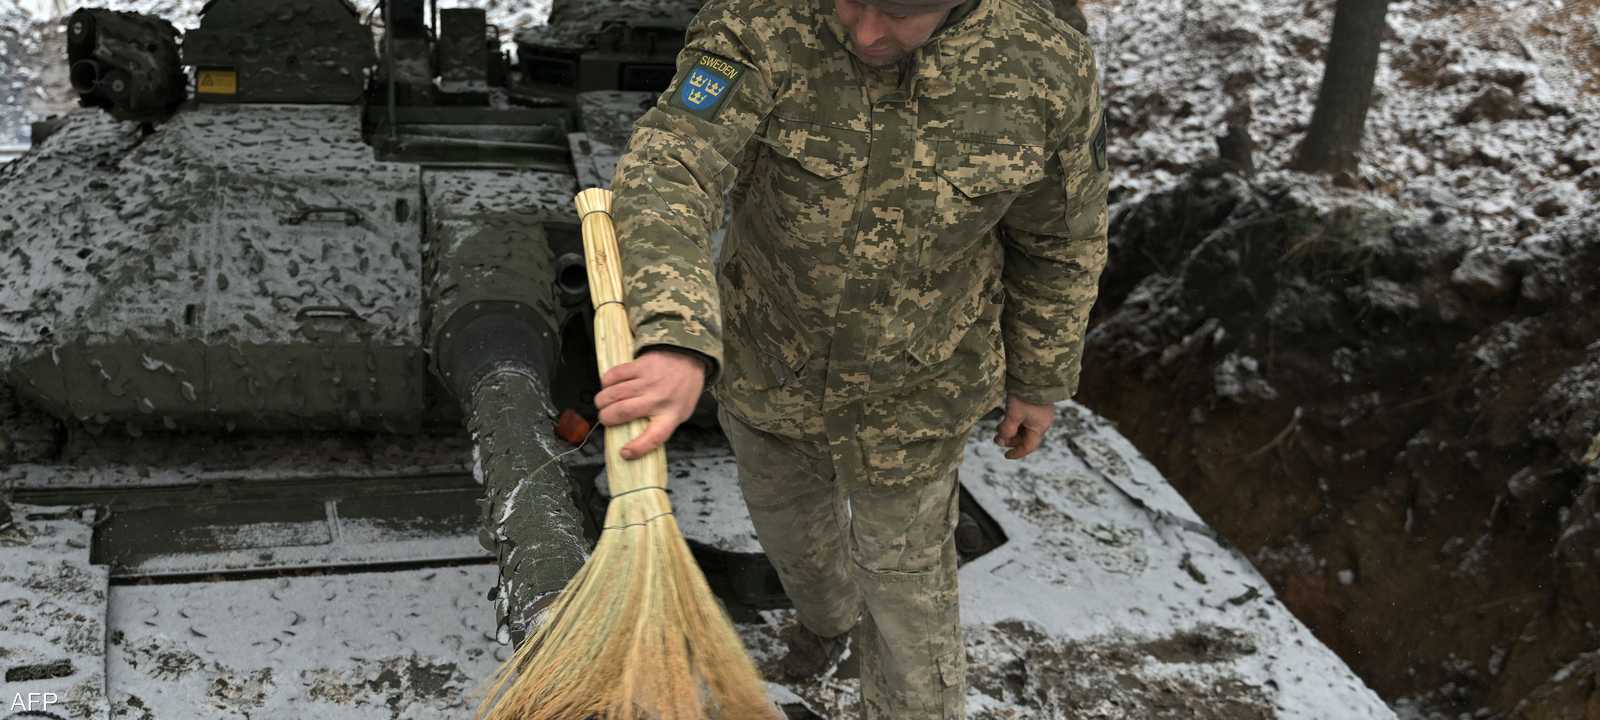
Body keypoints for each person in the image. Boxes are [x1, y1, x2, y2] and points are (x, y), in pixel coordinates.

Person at [590, 0, 1109, 716]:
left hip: (919, 393)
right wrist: (675, 333)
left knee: (908, 598)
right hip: (774, 372)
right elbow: (672, 165)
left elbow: (1061, 239)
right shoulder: (761, 21)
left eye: (900, 13)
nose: (864, 31)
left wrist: (1040, 378)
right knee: (796, 548)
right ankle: (826, 624)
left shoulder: (1045, 63)